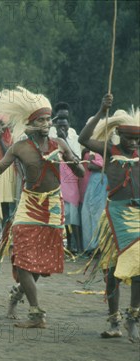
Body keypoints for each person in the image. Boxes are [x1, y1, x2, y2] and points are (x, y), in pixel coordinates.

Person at [0, 86, 84, 328]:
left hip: (52, 205)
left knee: (39, 265)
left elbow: (80, 173)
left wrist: (69, 157)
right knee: (22, 260)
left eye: (48, 119)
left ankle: (17, 294)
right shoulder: (20, 147)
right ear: (31, 122)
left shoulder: (59, 142)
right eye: (41, 119)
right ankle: (36, 313)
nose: (46, 123)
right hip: (28, 206)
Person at [78, 94, 139, 343]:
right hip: (114, 215)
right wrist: (101, 111)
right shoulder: (109, 149)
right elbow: (82, 139)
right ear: (118, 135)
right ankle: (114, 320)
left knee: (137, 270)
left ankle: (132, 318)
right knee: (111, 271)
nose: (133, 142)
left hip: (138, 217)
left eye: (137, 138)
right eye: (129, 138)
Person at [55, 117, 82, 254]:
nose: (62, 129)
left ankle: (78, 246)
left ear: (68, 125)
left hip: (72, 181)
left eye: (64, 126)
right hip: (59, 181)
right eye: (59, 126)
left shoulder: (74, 138)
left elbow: (77, 158)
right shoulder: (52, 140)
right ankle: (69, 245)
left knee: (74, 216)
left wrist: (65, 141)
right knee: (63, 215)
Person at [79, 149, 107, 253]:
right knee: (87, 214)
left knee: (97, 214)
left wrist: (91, 155)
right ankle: (92, 246)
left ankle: (98, 246)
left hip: (100, 181)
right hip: (94, 181)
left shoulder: (101, 151)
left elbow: (90, 166)